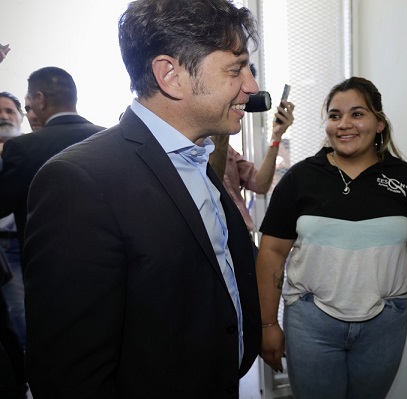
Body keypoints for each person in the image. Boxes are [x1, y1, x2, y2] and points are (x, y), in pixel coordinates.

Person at [24, 0, 262, 397]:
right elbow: (69, 374)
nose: (252, 86)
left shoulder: (195, 153)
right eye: (236, 69)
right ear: (170, 74)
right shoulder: (79, 182)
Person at [257, 76, 407, 399]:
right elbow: (271, 251)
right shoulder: (301, 178)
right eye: (335, 115)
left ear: (379, 123)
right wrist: (268, 324)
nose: (344, 125)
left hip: (384, 326)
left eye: (357, 114)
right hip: (311, 324)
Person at [0, 67, 105, 258]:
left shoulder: (21, 148)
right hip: (107, 256)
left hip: (47, 262)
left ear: (40, 99)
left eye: (29, 104)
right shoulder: (108, 137)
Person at [223, 100, 295, 234]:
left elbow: (260, 184)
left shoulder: (227, 149)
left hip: (243, 236)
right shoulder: (191, 151)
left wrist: (276, 136)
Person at [0, 91, 27, 399]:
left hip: (31, 245)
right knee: (17, 319)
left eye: (10, 110)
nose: (4, 116)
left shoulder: (33, 150)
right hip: (4, 252)